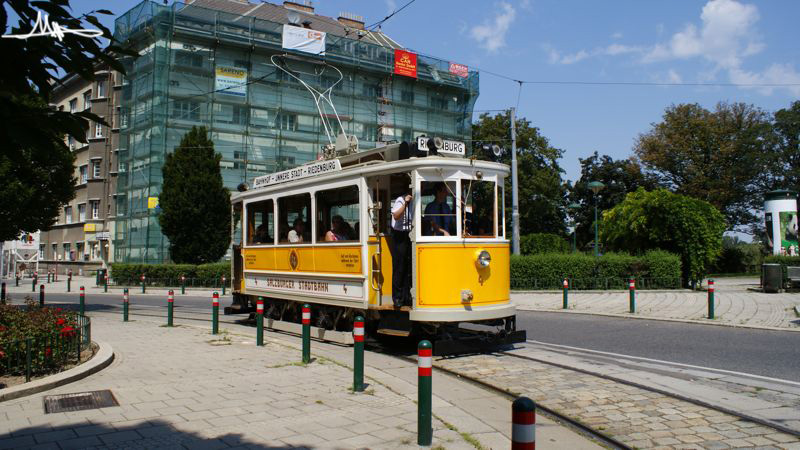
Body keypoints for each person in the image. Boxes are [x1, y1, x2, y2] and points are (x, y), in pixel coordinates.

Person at [390, 190, 413, 307]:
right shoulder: (400, 199)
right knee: (399, 267)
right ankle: (397, 298)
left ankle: (406, 297)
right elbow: (396, 215)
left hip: (408, 234)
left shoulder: (414, 202)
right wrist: (405, 203)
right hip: (398, 235)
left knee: (407, 267)